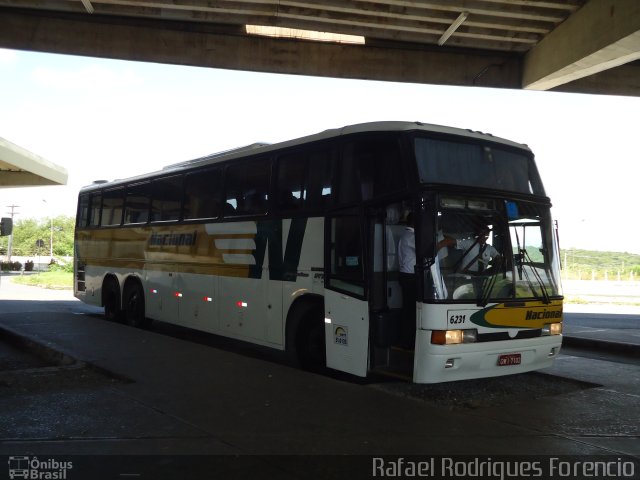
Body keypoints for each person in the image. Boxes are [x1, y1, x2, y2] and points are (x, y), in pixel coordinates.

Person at [397, 212, 416, 348]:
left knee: (408, 310)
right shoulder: (411, 237)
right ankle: (407, 342)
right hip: (410, 277)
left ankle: (407, 340)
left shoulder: (405, 235)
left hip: (406, 275)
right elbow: (427, 250)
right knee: (411, 311)